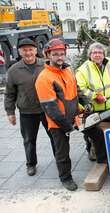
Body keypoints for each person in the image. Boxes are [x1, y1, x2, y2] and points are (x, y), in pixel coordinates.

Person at [4, 38, 55, 176]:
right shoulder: (14, 70)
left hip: (47, 110)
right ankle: (31, 164)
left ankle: (60, 159)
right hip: (27, 112)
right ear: (20, 52)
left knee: (55, 136)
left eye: (30, 49)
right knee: (29, 140)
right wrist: (10, 112)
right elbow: (9, 93)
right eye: (24, 50)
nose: (28, 53)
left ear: (35, 50)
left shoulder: (46, 65)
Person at [35, 38, 79, 191]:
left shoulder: (67, 70)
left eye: (62, 54)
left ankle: (99, 158)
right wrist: (67, 127)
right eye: (55, 54)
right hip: (58, 123)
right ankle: (65, 178)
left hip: (73, 117)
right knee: (62, 152)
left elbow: (75, 90)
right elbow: (51, 108)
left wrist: (83, 106)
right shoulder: (44, 78)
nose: (60, 57)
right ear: (48, 55)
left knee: (94, 134)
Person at [76, 42, 110, 162]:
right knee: (89, 128)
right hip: (92, 108)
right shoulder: (83, 69)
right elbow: (80, 88)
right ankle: (92, 150)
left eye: (100, 52)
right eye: (95, 52)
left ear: (104, 54)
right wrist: (95, 96)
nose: (98, 55)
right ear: (90, 55)